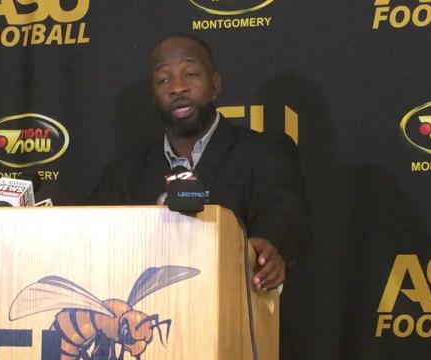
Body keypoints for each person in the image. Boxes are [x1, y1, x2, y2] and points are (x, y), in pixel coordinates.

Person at [91, 32, 309, 291]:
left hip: (235, 310)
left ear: (216, 84)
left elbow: (284, 211)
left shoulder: (263, 151)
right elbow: (93, 240)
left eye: (191, 74)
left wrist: (270, 246)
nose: (177, 87)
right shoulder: (123, 173)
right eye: (164, 79)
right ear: (153, 96)